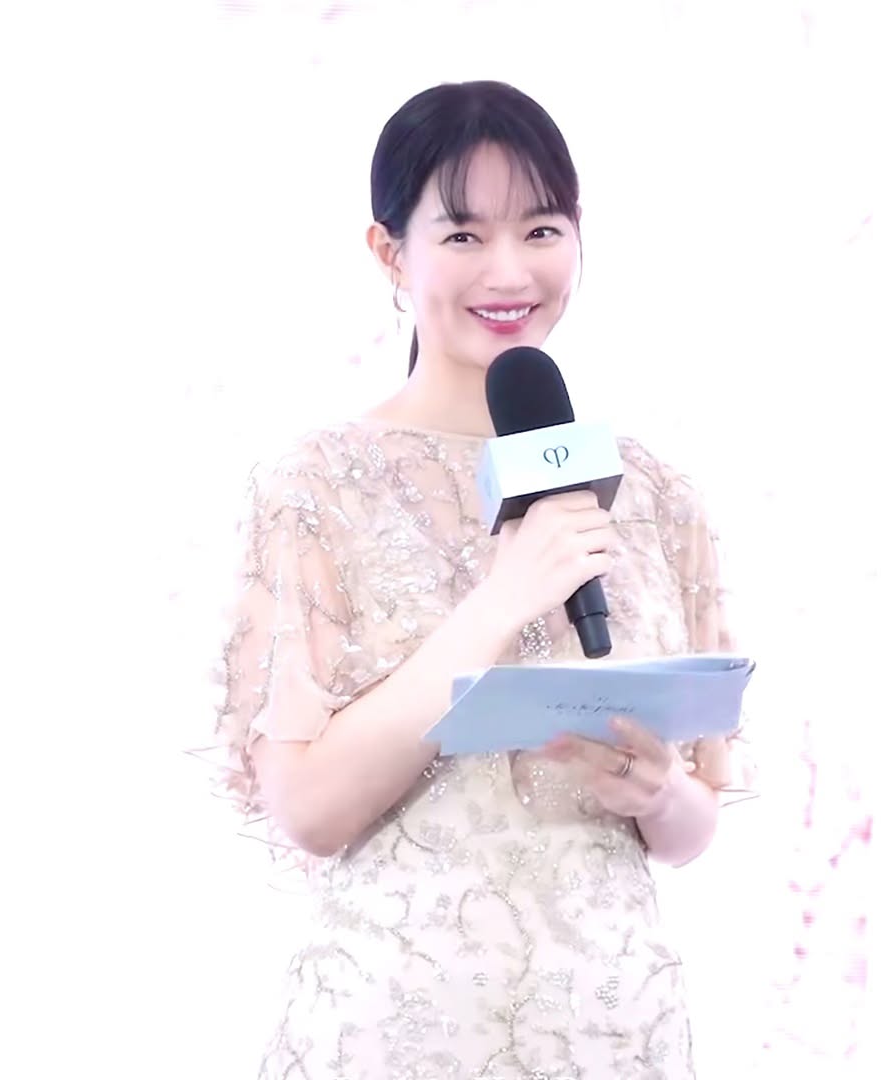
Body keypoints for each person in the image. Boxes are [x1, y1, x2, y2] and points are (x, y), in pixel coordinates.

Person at [212, 80, 755, 1080]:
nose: (510, 271)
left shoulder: (657, 492)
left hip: (612, 1032)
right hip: (396, 1033)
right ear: (391, 252)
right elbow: (311, 810)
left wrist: (659, 790)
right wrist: (502, 600)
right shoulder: (318, 483)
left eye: (541, 229)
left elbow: (692, 827)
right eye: (463, 235)